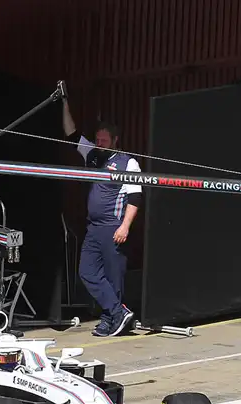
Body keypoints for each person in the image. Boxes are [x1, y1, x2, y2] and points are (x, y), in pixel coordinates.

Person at [62, 98, 143, 336]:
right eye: (97, 140)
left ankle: (111, 319)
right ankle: (119, 313)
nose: (99, 144)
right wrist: (65, 101)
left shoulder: (128, 162)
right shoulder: (93, 156)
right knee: (87, 272)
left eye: (104, 141)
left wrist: (125, 226)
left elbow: (135, 198)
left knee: (113, 277)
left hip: (114, 228)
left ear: (115, 141)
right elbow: (71, 134)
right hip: (93, 228)